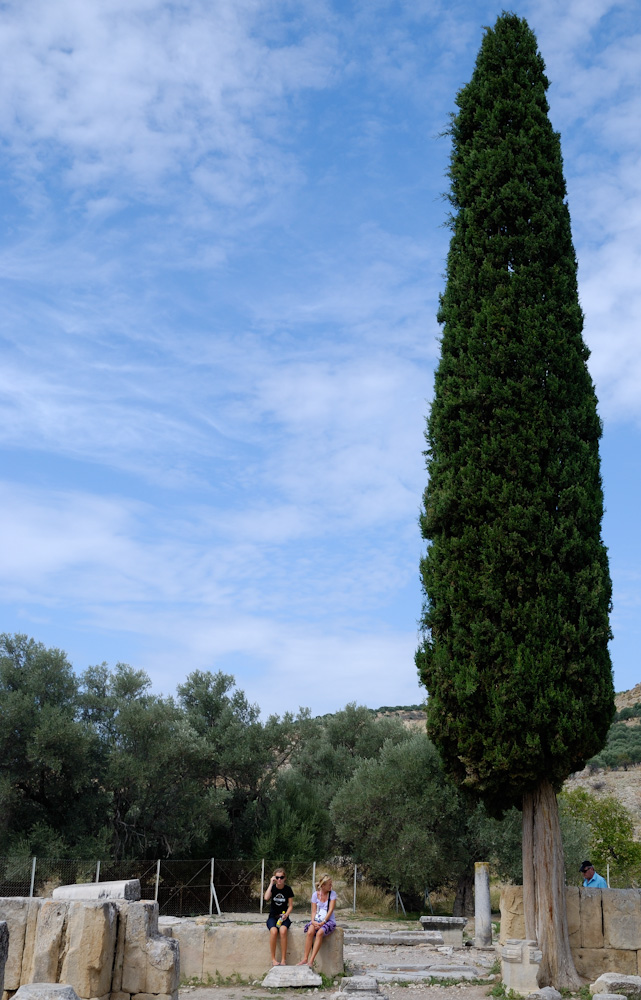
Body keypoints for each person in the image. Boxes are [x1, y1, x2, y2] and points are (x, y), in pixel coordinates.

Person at [298, 873, 337, 968]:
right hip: (317, 919)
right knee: (310, 931)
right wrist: (313, 921)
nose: (331, 886)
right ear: (323, 885)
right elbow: (314, 910)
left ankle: (311, 960)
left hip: (328, 920)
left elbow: (330, 910)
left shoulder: (332, 894)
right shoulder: (315, 895)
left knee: (320, 933)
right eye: (329, 884)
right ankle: (305, 958)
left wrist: (323, 922)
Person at [264, 867, 294, 966]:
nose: (279, 879)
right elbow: (266, 898)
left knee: (283, 931)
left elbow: (290, 906)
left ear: (285, 878)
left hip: (283, 916)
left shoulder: (288, 889)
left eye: (281, 877)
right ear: (274, 878)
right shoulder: (272, 888)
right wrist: (271, 883)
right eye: (277, 877)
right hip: (273, 916)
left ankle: (283, 959)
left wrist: (286, 914)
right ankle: (273, 959)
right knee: (273, 931)